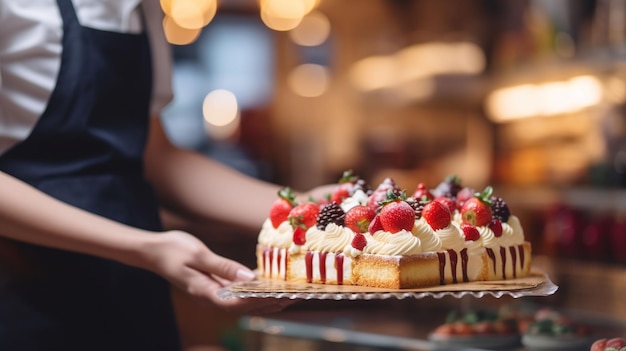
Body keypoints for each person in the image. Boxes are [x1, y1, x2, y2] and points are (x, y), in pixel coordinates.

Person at [0, 1, 331, 350]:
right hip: (23, 294)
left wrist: (308, 209)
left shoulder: (142, 9)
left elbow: (157, 158)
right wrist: (144, 247)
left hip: (131, 291)